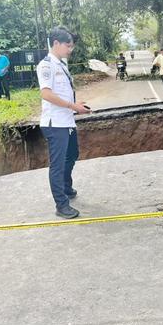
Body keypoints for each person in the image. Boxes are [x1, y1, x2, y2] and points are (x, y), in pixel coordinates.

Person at [36, 26, 91, 219]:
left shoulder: (61, 64)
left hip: (66, 121)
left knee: (73, 154)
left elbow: (62, 92)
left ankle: (66, 187)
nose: (70, 49)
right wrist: (73, 106)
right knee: (57, 165)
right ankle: (61, 205)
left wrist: (75, 105)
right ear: (56, 43)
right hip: (55, 124)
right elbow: (46, 94)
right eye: (68, 46)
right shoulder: (46, 65)